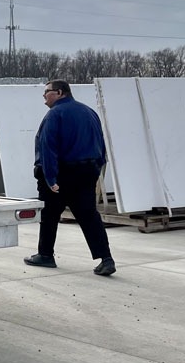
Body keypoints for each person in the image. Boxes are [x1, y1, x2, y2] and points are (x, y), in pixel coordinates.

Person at [24, 79, 116, 276]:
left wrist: (50, 179)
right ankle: (106, 258)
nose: (44, 98)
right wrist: (96, 168)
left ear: (59, 92)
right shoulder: (89, 112)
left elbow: (48, 148)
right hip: (86, 173)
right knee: (89, 216)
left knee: (49, 216)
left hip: (61, 175)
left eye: (46, 93)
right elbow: (100, 143)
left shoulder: (55, 115)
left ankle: (46, 255)